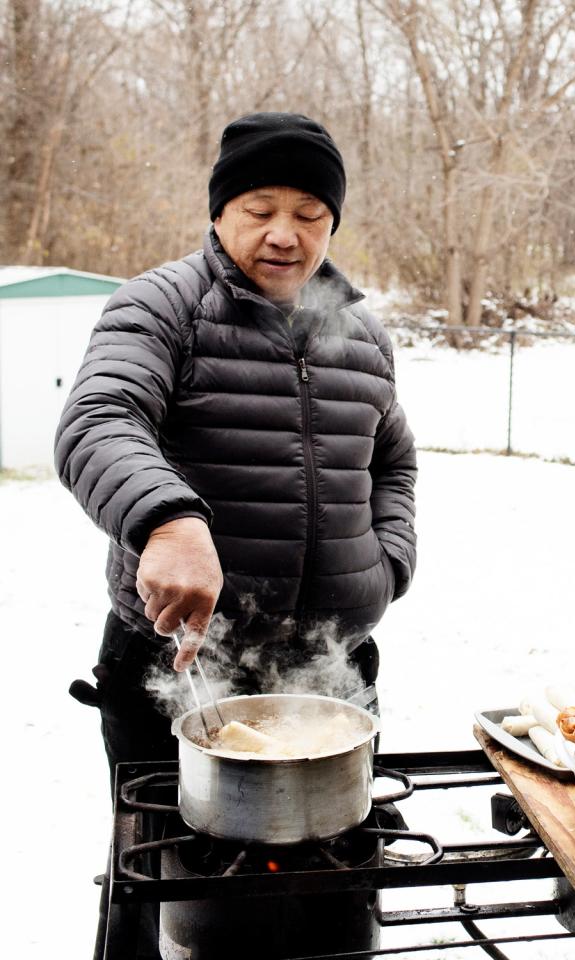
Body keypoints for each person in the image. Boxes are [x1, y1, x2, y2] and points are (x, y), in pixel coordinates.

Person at [56, 112, 417, 784]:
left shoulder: (362, 334)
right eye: (260, 210)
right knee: (175, 876)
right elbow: (99, 417)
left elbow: (392, 460)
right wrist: (167, 522)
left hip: (332, 668)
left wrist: (388, 563)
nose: (285, 235)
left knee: (337, 869)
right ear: (222, 213)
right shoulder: (161, 305)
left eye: (310, 213)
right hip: (182, 670)